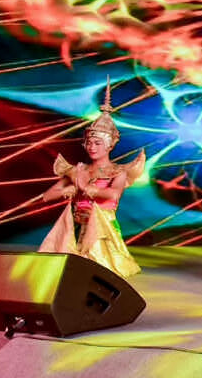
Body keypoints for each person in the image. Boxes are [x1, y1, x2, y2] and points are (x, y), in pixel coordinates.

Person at [39, 81, 144, 278]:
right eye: (89, 143)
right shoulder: (78, 170)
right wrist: (68, 190)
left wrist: (85, 187)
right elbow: (47, 196)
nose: (92, 147)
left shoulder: (117, 172)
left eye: (97, 143)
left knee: (96, 270)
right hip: (74, 227)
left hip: (101, 231)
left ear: (109, 145)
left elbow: (113, 194)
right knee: (63, 271)